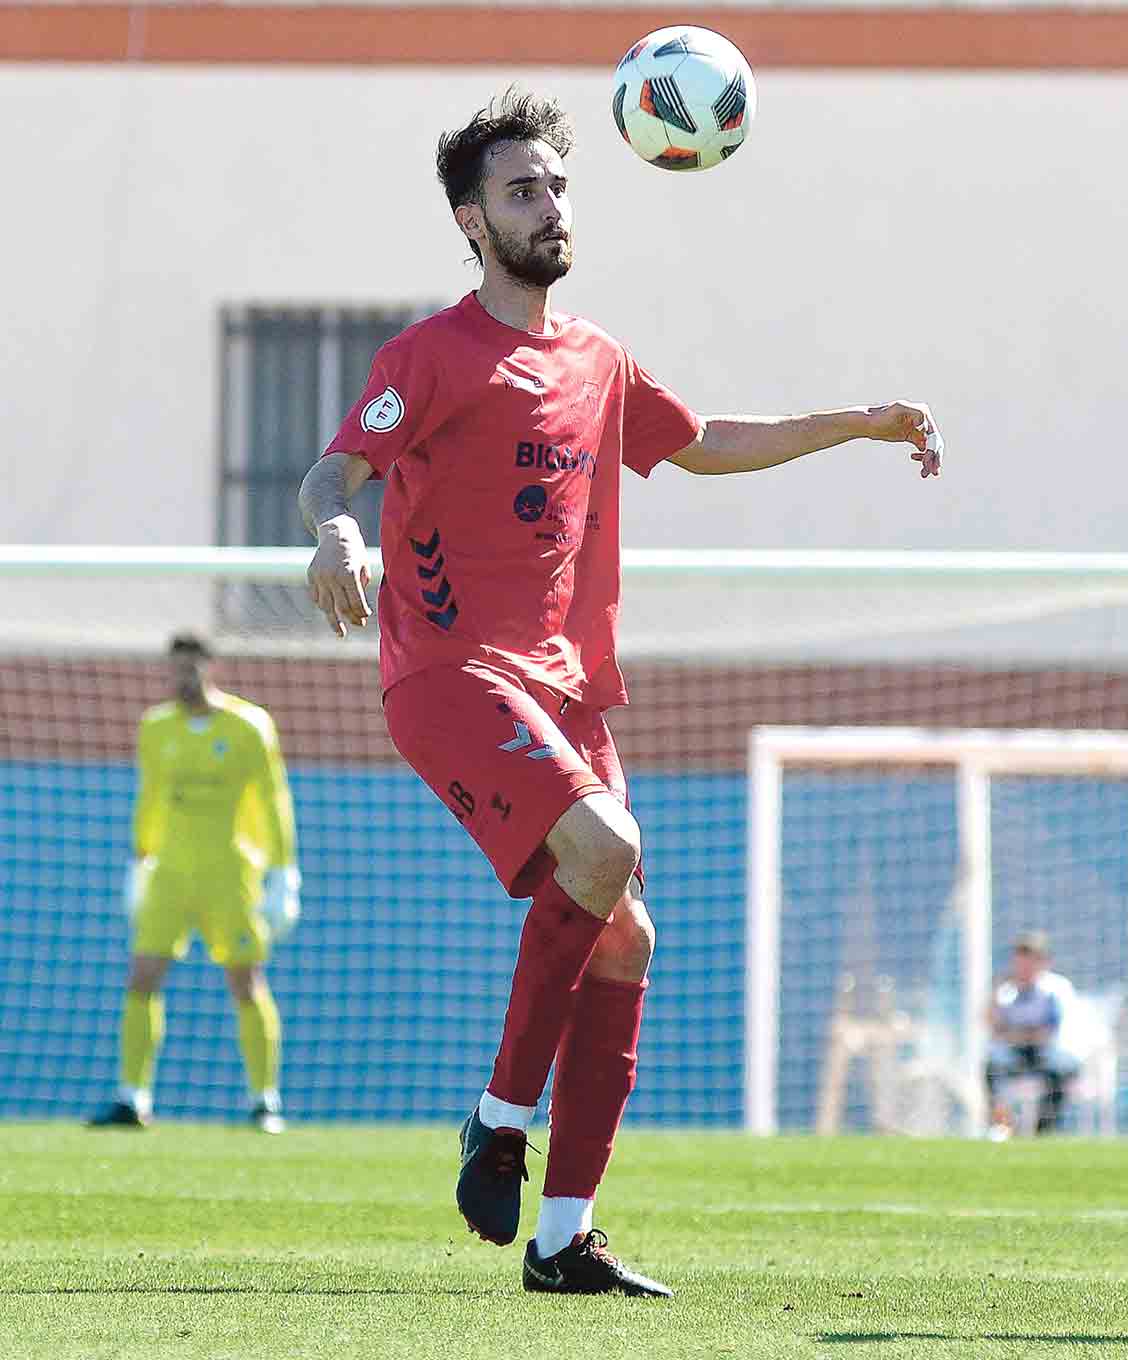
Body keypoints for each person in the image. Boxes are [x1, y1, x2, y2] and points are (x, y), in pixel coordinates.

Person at [297, 89, 942, 1298]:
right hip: (449, 675)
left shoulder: (597, 357)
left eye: (555, 185)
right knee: (607, 847)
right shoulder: (428, 356)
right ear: (470, 223)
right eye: (519, 191)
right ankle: (497, 1120)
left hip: (567, 687)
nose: (547, 206)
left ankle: (562, 1240)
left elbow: (702, 441)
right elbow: (339, 463)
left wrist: (856, 423)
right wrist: (336, 527)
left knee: (627, 935)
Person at [89, 634, 301, 1134]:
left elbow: (274, 800)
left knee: (246, 982)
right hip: (169, 874)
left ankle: (263, 1100)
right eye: (173, 669)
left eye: (190, 668)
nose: (181, 678)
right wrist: (138, 861)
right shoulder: (157, 727)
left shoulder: (248, 726)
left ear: (208, 668)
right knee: (142, 976)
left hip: (231, 874)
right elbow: (151, 798)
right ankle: (132, 1096)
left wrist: (283, 872)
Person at [983, 931, 1080, 1138]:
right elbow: (992, 1027)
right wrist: (994, 993)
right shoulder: (1005, 989)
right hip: (1014, 1052)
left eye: (1032, 960)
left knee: (1060, 1071)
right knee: (992, 1068)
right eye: (1020, 960)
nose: (1025, 966)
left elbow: (1048, 1032)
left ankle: (1044, 1131)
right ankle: (1002, 1126)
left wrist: (1016, 1034)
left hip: (1047, 1052)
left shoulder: (1055, 989)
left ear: (1044, 962)